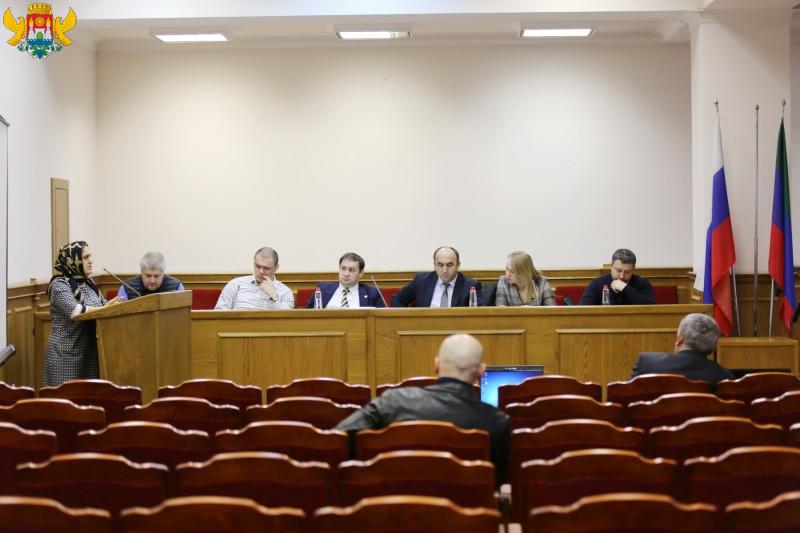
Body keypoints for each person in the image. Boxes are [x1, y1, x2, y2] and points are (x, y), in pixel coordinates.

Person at [335, 333, 510, 484]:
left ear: (437, 365)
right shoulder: (496, 422)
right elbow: (499, 480)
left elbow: (336, 441)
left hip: (394, 509)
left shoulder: (392, 402)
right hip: (466, 512)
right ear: (481, 371)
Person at [43, 241, 122, 386]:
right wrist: (105, 308)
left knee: (87, 397)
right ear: (72, 261)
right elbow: (75, 311)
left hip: (88, 354)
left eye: (90, 256)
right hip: (65, 354)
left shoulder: (88, 282)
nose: (91, 261)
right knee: (65, 397)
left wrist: (118, 306)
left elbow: (103, 305)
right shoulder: (60, 284)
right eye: (85, 257)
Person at [629, 313, 734, 383]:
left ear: (680, 338)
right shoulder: (723, 377)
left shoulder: (647, 363)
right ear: (713, 346)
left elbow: (624, 399)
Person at [391, 246, 481, 307]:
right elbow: (396, 299)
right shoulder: (421, 281)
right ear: (434, 265)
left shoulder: (471, 286)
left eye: (449, 265)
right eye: (440, 265)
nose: (444, 270)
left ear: (458, 265)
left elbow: (480, 313)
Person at [214, 247, 294, 310]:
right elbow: (218, 314)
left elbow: (286, 319)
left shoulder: (285, 292)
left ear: (276, 268)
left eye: (266, 268)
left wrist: (273, 295)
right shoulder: (235, 284)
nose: (261, 271)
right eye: (258, 266)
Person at [306, 252, 385, 308]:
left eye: (351, 270)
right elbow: (308, 314)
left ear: (361, 273)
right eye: (343, 269)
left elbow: (381, 320)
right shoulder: (323, 289)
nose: (346, 274)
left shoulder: (372, 294)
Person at [579, 248, 655, 305]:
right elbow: (583, 309)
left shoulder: (642, 283)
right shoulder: (597, 284)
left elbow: (650, 307)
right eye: (618, 270)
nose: (622, 276)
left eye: (627, 272)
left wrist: (625, 288)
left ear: (633, 269)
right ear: (611, 266)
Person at [117, 251, 184, 301]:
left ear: (163, 273)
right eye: (148, 276)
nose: (152, 281)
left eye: (156, 276)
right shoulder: (127, 287)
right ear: (141, 272)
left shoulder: (176, 286)